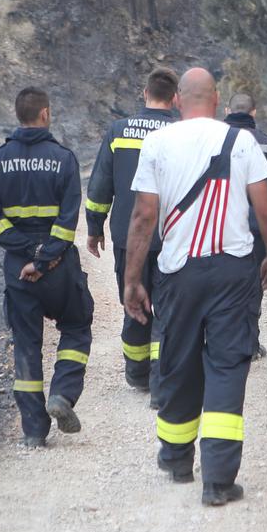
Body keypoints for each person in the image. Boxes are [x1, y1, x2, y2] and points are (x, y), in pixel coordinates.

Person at [123, 68, 267, 507]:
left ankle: (176, 459)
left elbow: (143, 218)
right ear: (215, 100)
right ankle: (217, 480)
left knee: (178, 360)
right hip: (233, 273)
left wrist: (133, 280)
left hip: (178, 274)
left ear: (178, 100)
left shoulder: (157, 143)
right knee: (228, 364)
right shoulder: (241, 141)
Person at [0, 87, 93, 447]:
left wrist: (26, 253)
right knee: (75, 327)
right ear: (44, 114)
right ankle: (62, 394)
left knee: (27, 345)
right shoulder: (64, 159)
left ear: (19, 115)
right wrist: (45, 257)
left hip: (18, 270)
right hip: (58, 268)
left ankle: (33, 432)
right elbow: (68, 218)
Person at [84, 68, 179, 403]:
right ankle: (160, 379)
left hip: (128, 238)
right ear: (175, 98)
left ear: (144, 93)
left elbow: (99, 187)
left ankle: (138, 373)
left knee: (134, 301)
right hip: (172, 238)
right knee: (166, 309)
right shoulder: (181, 133)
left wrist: (94, 228)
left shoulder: (118, 131)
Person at [223, 92, 267, 360]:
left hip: (217, 226)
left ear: (228, 109)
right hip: (255, 229)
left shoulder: (211, 139)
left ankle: (219, 342)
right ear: (253, 113)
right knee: (252, 286)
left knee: (221, 284)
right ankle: (250, 345)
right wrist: (265, 207)